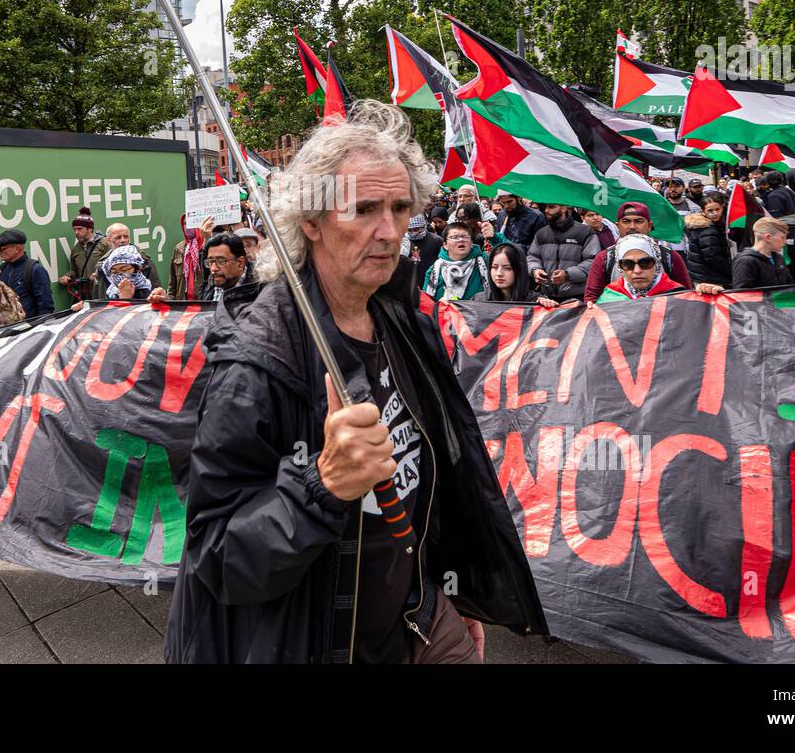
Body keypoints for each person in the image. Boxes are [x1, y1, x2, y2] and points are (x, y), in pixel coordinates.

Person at [166, 99, 545, 664]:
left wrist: (452, 588)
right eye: (364, 209)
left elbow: (440, 478)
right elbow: (218, 559)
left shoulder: (402, 320)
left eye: (399, 207)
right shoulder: (255, 362)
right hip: (319, 639)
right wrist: (322, 486)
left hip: (418, 614)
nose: (389, 231)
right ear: (312, 222)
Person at [582, 202, 693, 304]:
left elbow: (687, 295)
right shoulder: (605, 258)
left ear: (649, 225)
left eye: (639, 221)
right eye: (626, 221)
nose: (632, 227)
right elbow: (592, 299)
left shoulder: (669, 257)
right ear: (617, 225)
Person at [598, 235, 724, 302]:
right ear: (620, 267)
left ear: (657, 263)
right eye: (628, 264)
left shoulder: (678, 294)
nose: (637, 270)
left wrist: (711, 299)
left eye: (645, 262)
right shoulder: (609, 297)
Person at [527, 204, 599, 302]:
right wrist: (535, 270)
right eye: (546, 207)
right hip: (547, 298)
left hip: (578, 297)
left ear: (564, 208)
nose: (546, 210)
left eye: (551, 207)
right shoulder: (541, 233)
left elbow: (593, 261)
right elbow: (532, 256)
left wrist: (567, 275)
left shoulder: (585, 232)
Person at [0, 229, 54, 318]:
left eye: (2, 249)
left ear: (17, 249)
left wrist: (39, 327)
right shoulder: (2, 269)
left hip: (31, 327)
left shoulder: (35, 269)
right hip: (9, 327)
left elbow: (46, 306)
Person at [479, 244, 561, 308]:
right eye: (494, 267)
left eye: (507, 268)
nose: (499, 273)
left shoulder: (536, 301)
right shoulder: (479, 300)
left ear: (519, 270)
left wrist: (548, 305)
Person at [423, 222, 489, 301]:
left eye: (465, 237)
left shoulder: (484, 261)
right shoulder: (435, 270)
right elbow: (425, 302)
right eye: (455, 237)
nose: (461, 240)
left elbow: (506, 253)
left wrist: (495, 238)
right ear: (445, 245)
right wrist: (438, 305)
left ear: (472, 243)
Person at [731, 217, 793, 290]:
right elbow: (742, 294)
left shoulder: (779, 258)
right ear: (768, 238)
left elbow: (789, 286)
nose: (785, 241)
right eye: (783, 237)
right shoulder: (745, 261)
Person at [683, 199, 733, 288]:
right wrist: (732, 271)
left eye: (717, 209)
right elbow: (713, 258)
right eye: (710, 211)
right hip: (710, 279)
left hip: (703, 276)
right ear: (703, 212)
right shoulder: (707, 231)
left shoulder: (708, 226)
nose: (715, 213)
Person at [61, 211, 106, 301]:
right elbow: (74, 271)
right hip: (84, 297)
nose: (76, 232)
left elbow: (115, 267)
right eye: (74, 229)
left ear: (90, 229)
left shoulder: (104, 244)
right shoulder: (76, 249)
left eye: (80, 229)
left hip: (102, 294)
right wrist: (68, 276)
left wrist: (99, 275)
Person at [168, 214, 214, 301]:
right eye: (185, 224)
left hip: (203, 304)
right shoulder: (179, 249)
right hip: (183, 305)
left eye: (191, 223)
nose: (187, 227)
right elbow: (172, 286)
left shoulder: (208, 247)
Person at [201, 232, 255, 301]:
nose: (213, 269)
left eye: (221, 261)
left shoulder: (259, 292)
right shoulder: (208, 286)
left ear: (240, 263)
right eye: (211, 262)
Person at [400, 213, 443, 281]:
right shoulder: (404, 242)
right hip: (409, 281)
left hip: (430, 280)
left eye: (416, 229)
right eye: (410, 230)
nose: (413, 233)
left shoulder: (436, 240)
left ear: (423, 226)